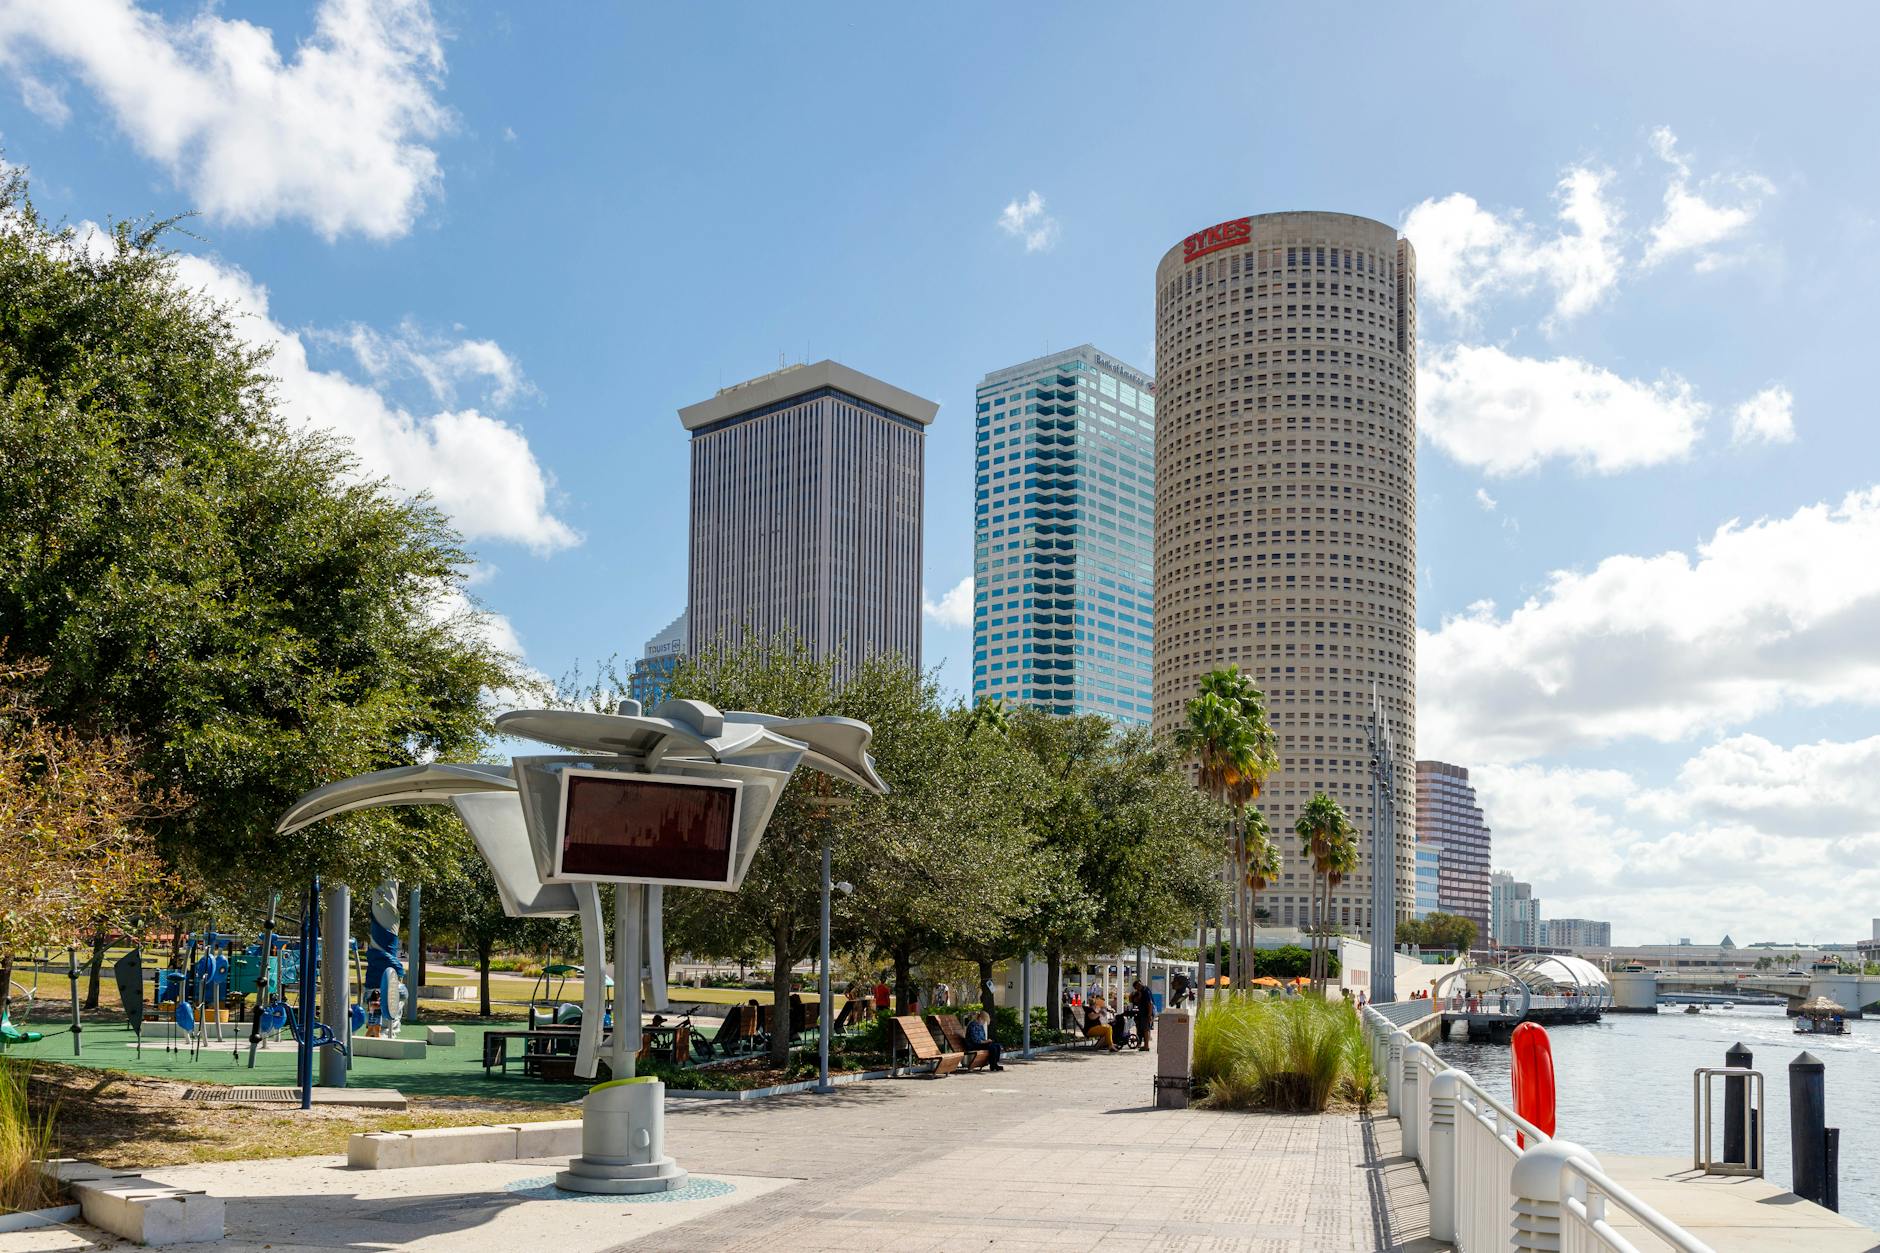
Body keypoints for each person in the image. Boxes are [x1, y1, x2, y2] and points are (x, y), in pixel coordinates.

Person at [1129, 981, 1155, 1052]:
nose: (1136, 989)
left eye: (1136, 987)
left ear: (1138, 985)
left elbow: (1150, 1003)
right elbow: (1133, 1000)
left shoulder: (1146, 991)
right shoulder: (1141, 991)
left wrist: (1149, 1015)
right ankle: (1140, 1043)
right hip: (1142, 1013)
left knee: (1146, 1029)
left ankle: (1146, 1046)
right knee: (1141, 1028)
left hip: (1146, 1013)